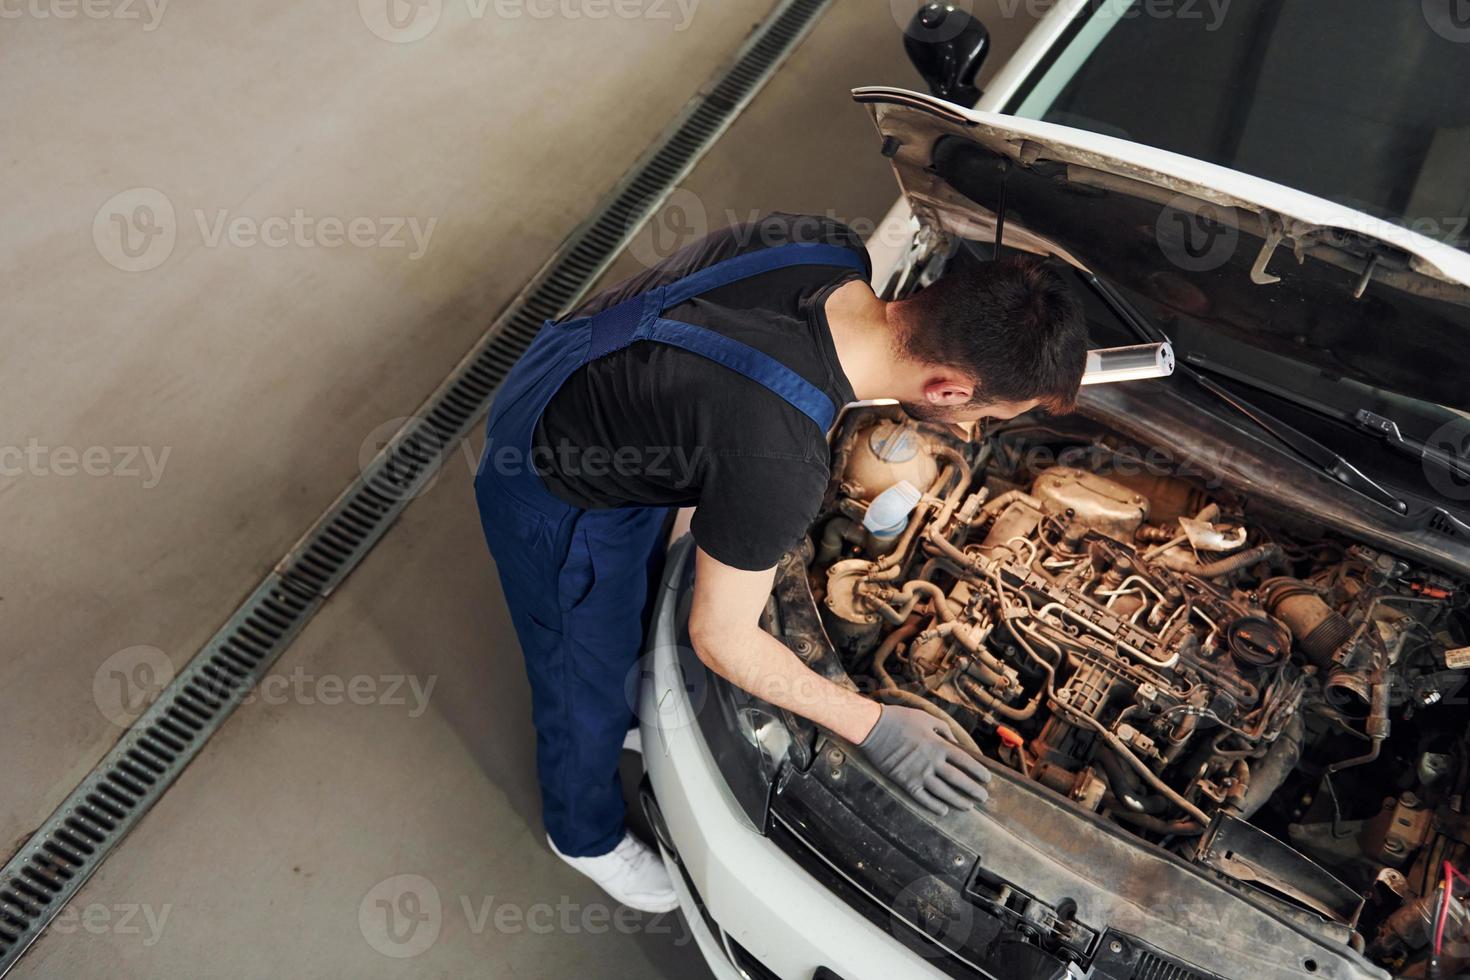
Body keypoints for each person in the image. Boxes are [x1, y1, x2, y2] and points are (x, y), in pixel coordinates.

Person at [474, 213, 1087, 911]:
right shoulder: (780, 457)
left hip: (592, 372)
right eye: (987, 418)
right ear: (947, 390)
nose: (975, 433)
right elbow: (719, 637)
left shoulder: (820, 240)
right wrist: (871, 724)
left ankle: (622, 699)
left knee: (625, 603)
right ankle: (582, 835)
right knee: (576, 665)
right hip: (550, 479)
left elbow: (687, 307)